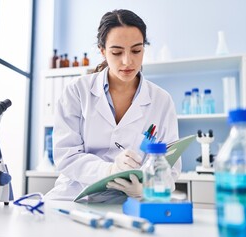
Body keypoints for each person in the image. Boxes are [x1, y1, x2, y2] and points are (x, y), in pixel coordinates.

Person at [45, 9, 180, 203]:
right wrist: (108, 170)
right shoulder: (77, 92)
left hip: (131, 202)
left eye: (136, 50)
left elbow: (171, 166)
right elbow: (66, 156)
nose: (127, 61)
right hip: (74, 197)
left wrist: (144, 187)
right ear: (103, 51)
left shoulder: (161, 100)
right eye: (117, 52)